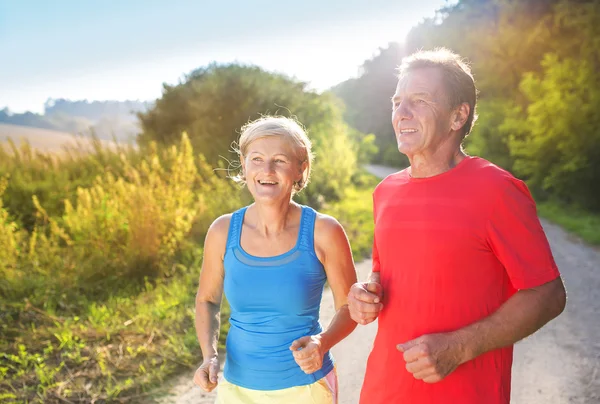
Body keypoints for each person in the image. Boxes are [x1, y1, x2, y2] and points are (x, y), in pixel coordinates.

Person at [347, 48, 567, 404]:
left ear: (457, 116)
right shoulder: (385, 191)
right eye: (397, 101)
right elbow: (383, 270)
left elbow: (549, 294)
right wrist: (367, 294)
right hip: (383, 390)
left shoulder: (497, 191)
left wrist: (459, 347)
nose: (401, 114)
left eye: (419, 101)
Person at [193, 115, 357, 403]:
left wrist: (322, 343)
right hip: (237, 390)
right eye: (256, 159)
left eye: (279, 160)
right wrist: (209, 356)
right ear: (243, 166)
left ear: (300, 168)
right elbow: (207, 300)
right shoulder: (222, 231)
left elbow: (349, 306)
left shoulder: (324, 231)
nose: (266, 169)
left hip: (306, 388)